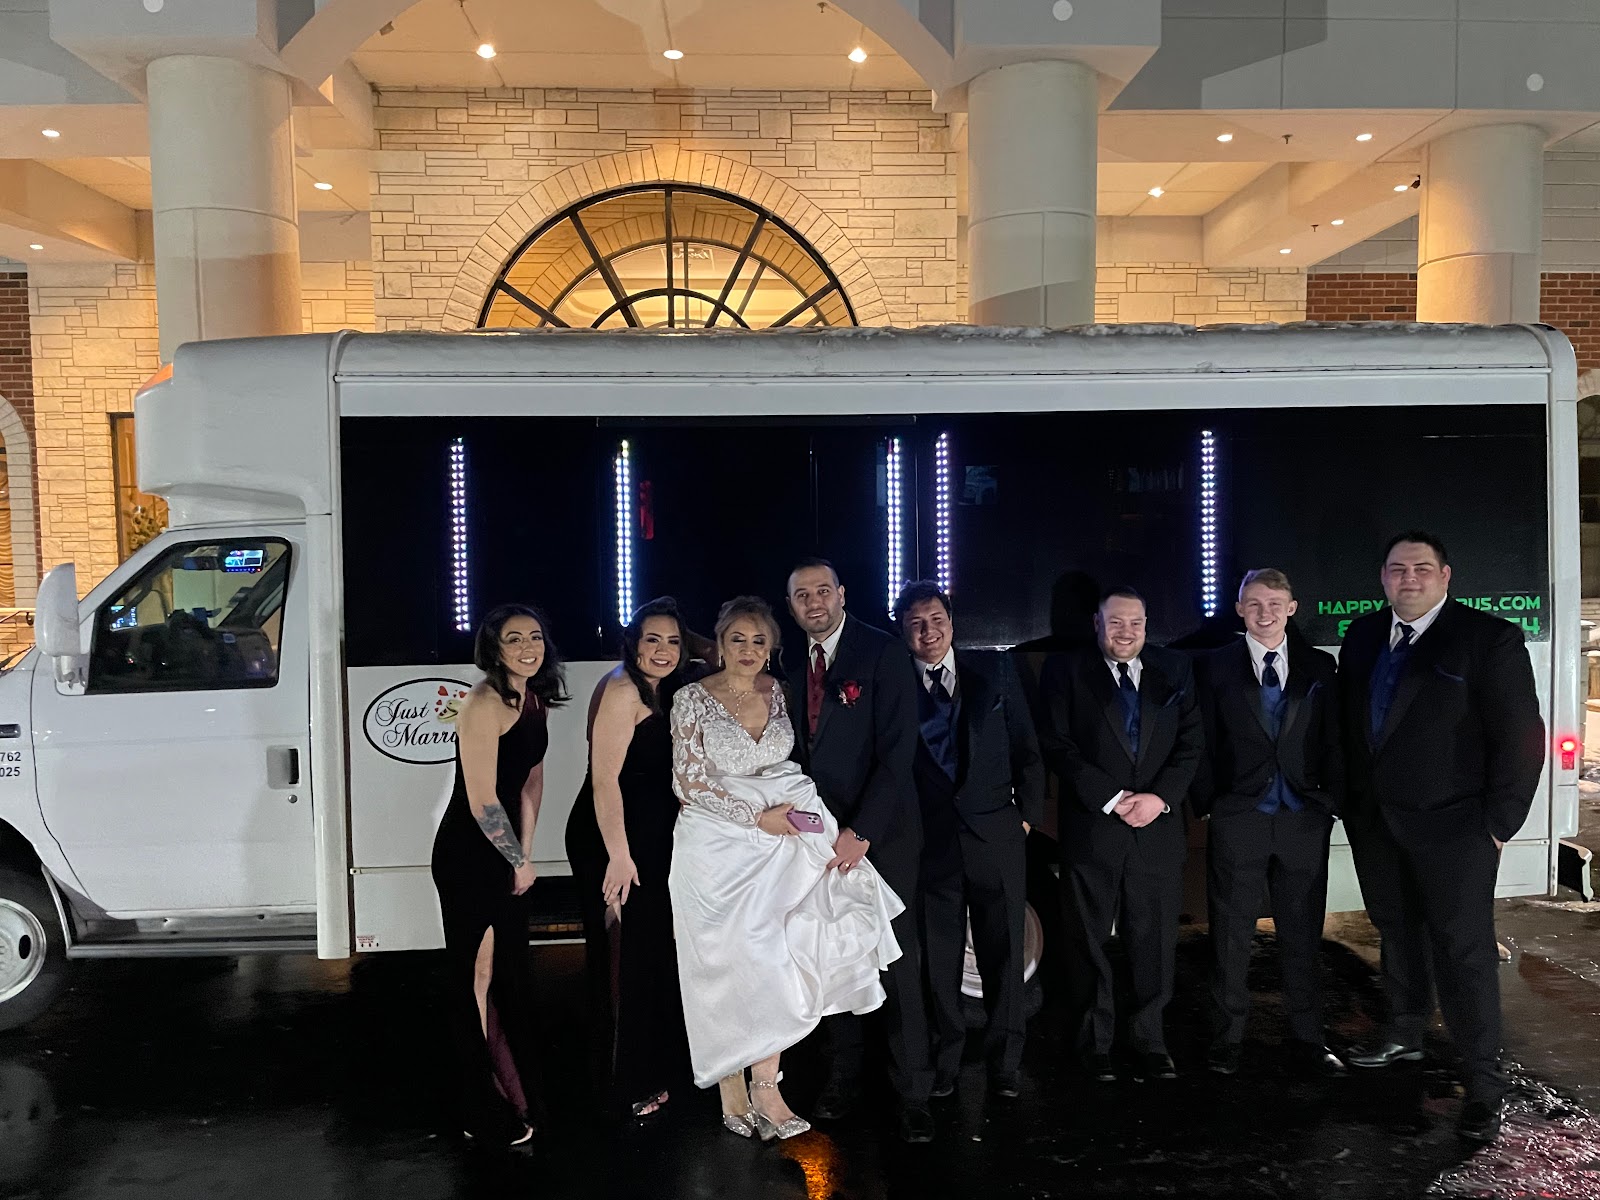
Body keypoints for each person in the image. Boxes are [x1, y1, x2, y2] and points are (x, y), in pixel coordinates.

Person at [669, 595, 905, 1142]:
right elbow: (688, 781)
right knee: (725, 963)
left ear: (771, 647)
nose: (748, 650)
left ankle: (767, 1086)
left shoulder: (779, 691)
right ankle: (729, 1081)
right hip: (719, 847)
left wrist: (788, 819)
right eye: (738, 639)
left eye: (759, 641)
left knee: (777, 958)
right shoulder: (691, 698)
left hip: (786, 840)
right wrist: (757, 818)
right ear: (720, 642)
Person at [1338, 532, 1545, 1143]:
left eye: (1421, 568)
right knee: (1397, 933)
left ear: (1445, 575)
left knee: (1463, 954)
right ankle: (1405, 1033)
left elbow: (1520, 735)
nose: (1409, 578)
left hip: (1457, 827)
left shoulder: (1489, 639)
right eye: (1397, 569)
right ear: (1382, 577)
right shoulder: (1364, 635)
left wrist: (1500, 824)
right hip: (1378, 824)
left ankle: (1483, 1086)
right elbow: (1352, 725)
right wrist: (1349, 802)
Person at [787, 558, 937, 1143]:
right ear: (792, 604)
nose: (814, 602)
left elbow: (898, 753)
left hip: (883, 835)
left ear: (842, 594)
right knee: (833, 958)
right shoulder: (785, 658)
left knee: (897, 962)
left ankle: (914, 1092)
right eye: (802, 594)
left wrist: (862, 831)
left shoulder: (883, 652)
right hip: (818, 841)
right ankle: (843, 1078)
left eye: (823, 590)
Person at [1036, 587, 1203, 1083]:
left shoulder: (1175, 669)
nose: (1126, 632)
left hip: (1157, 828)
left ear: (1147, 625)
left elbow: (1192, 743)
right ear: (1097, 623)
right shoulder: (1065, 671)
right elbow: (1056, 744)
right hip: (1094, 829)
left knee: (1154, 944)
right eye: (1115, 622)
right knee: (1087, 944)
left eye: (1135, 623)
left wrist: (1159, 799)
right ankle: (1095, 1043)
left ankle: (1151, 1041)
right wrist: (1110, 797)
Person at [1193, 569, 1345, 1079]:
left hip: (1303, 818)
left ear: (1291, 608)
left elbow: (1334, 739)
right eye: (1254, 603)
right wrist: (1210, 803)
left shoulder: (1319, 666)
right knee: (1230, 934)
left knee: (1302, 934)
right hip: (1239, 818)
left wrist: (1329, 803)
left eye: (1275, 603)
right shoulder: (1213, 666)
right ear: (1239, 609)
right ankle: (1226, 1038)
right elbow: (1200, 740)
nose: (1265, 612)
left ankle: (1308, 1037)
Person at [896, 580, 1044, 1101]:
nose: (928, 632)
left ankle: (1007, 1061)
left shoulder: (996, 670)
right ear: (904, 632)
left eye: (936, 619)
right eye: (916, 623)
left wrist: (1025, 819)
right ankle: (947, 1060)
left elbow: (1028, 748)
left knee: (1004, 952)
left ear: (951, 622)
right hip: (931, 844)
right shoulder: (896, 684)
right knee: (939, 962)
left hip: (997, 835)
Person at [430, 604, 567, 1148]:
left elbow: (531, 783)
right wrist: (516, 858)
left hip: (506, 849)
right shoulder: (483, 703)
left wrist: (525, 852)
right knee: (478, 976)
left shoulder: (535, 699)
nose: (528, 647)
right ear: (494, 648)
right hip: (469, 852)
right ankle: (483, 1106)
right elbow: (482, 798)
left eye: (535, 636)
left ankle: (516, 1091)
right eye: (514, 639)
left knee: (509, 976)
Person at [565, 597, 691, 1119]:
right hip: (613, 839)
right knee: (624, 958)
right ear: (633, 643)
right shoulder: (621, 690)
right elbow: (604, 781)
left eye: (673, 642)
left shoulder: (662, 687)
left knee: (648, 954)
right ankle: (624, 1084)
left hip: (648, 837)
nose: (663, 650)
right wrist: (618, 856)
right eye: (652, 639)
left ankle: (646, 1067)